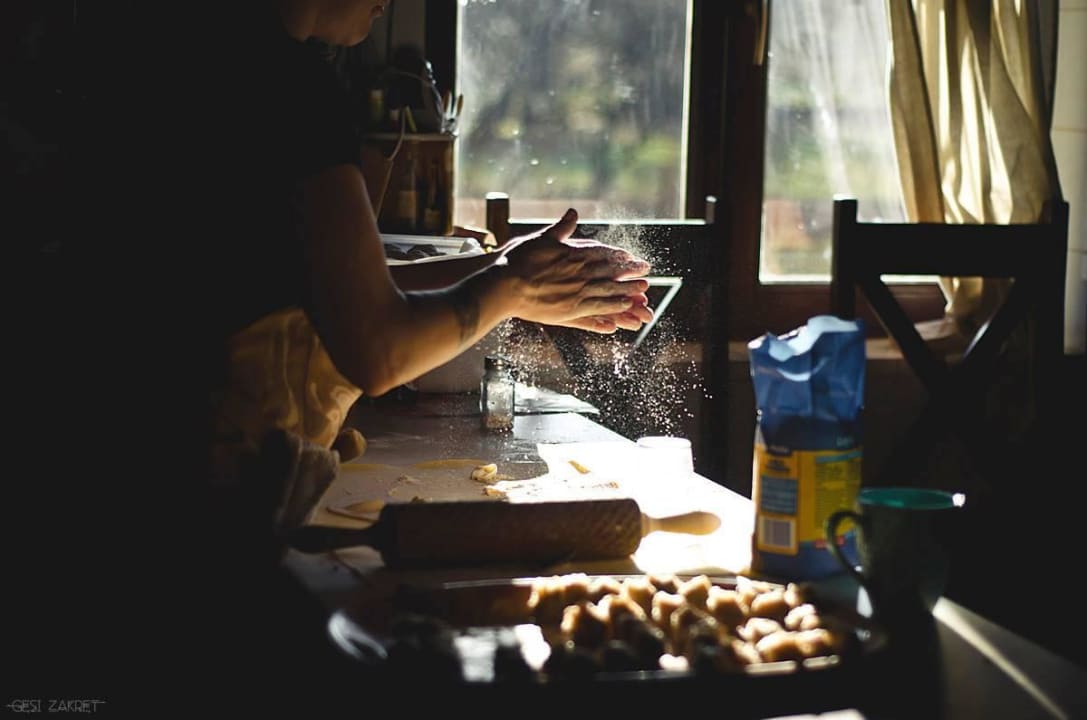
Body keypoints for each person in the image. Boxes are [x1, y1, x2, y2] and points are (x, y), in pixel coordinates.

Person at [58, 0, 650, 708]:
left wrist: (506, 275)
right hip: (189, 527)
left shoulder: (196, 54)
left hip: (113, 497)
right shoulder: (280, 86)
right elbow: (375, 349)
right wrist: (505, 286)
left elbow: (320, 284)